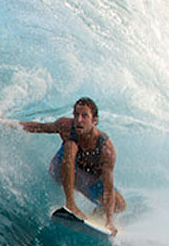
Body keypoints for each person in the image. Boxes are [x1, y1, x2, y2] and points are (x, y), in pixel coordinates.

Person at [10, 97, 126, 234]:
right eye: (76, 115)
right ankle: (70, 203)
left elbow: (108, 187)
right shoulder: (66, 126)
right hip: (60, 168)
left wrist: (109, 221)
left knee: (119, 204)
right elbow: (40, 127)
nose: (79, 120)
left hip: (86, 179)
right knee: (70, 146)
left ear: (94, 121)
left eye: (84, 116)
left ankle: (95, 215)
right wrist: (11, 124)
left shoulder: (106, 149)